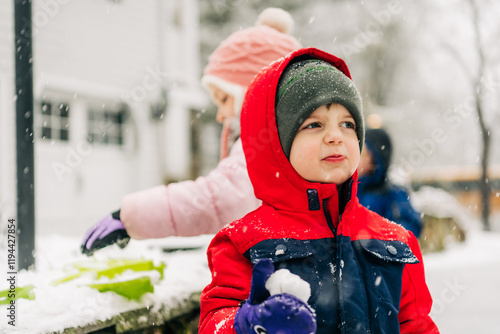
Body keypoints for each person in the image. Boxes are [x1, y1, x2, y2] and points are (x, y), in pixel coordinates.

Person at [199, 48, 439, 333]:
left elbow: (417, 326)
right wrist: (247, 323)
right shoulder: (243, 244)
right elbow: (216, 321)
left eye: (347, 124)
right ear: (277, 143)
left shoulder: (397, 241)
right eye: (314, 124)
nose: (335, 136)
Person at [80, 8, 301, 255]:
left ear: (257, 88)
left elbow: (216, 200)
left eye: (225, 98)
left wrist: (129, 216)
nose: (220, 115)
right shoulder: (296, 132)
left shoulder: (268, 141)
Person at [358, 127, 422, 237]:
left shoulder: (393, 193)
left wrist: (377, 236)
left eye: (363, 154)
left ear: (376, 159)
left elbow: (410, 228)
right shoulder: (347, 190)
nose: (357, 158)